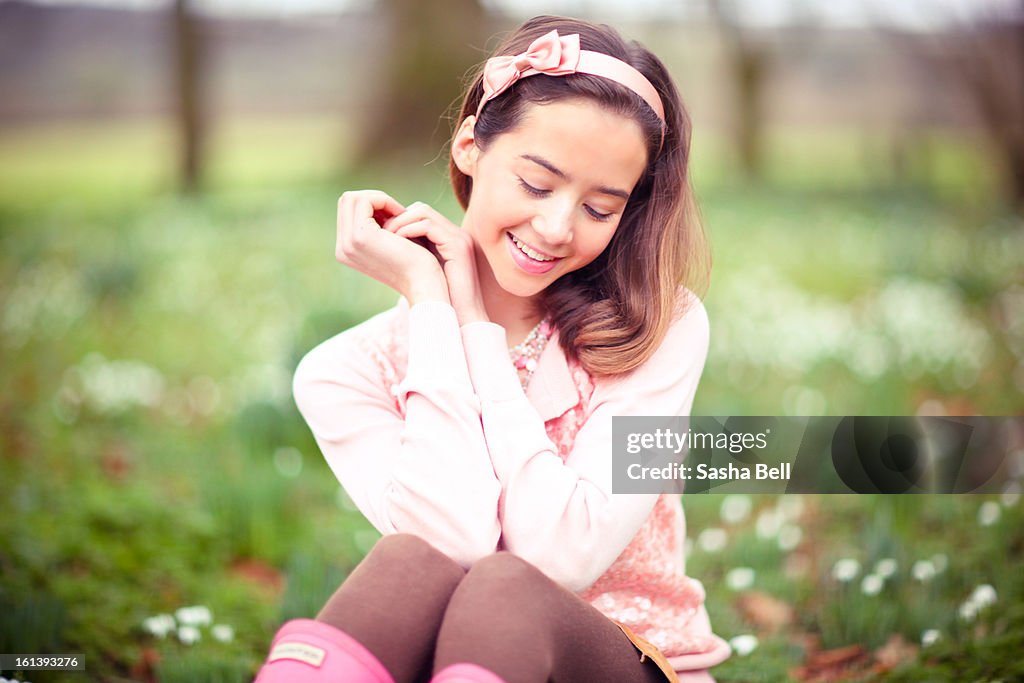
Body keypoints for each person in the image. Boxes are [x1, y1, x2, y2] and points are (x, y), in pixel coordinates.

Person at [255, 14, 730, 683]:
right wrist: (435, 308)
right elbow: (452, 542)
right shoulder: (345, 373)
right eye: (536, 184)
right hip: (468, 667)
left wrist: (476, 330)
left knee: (504, 586)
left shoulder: (659, 327)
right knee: (406, 561)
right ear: (470, 146)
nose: (557, 226)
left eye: (600, 208)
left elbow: (560, 557)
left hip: (628, 663)